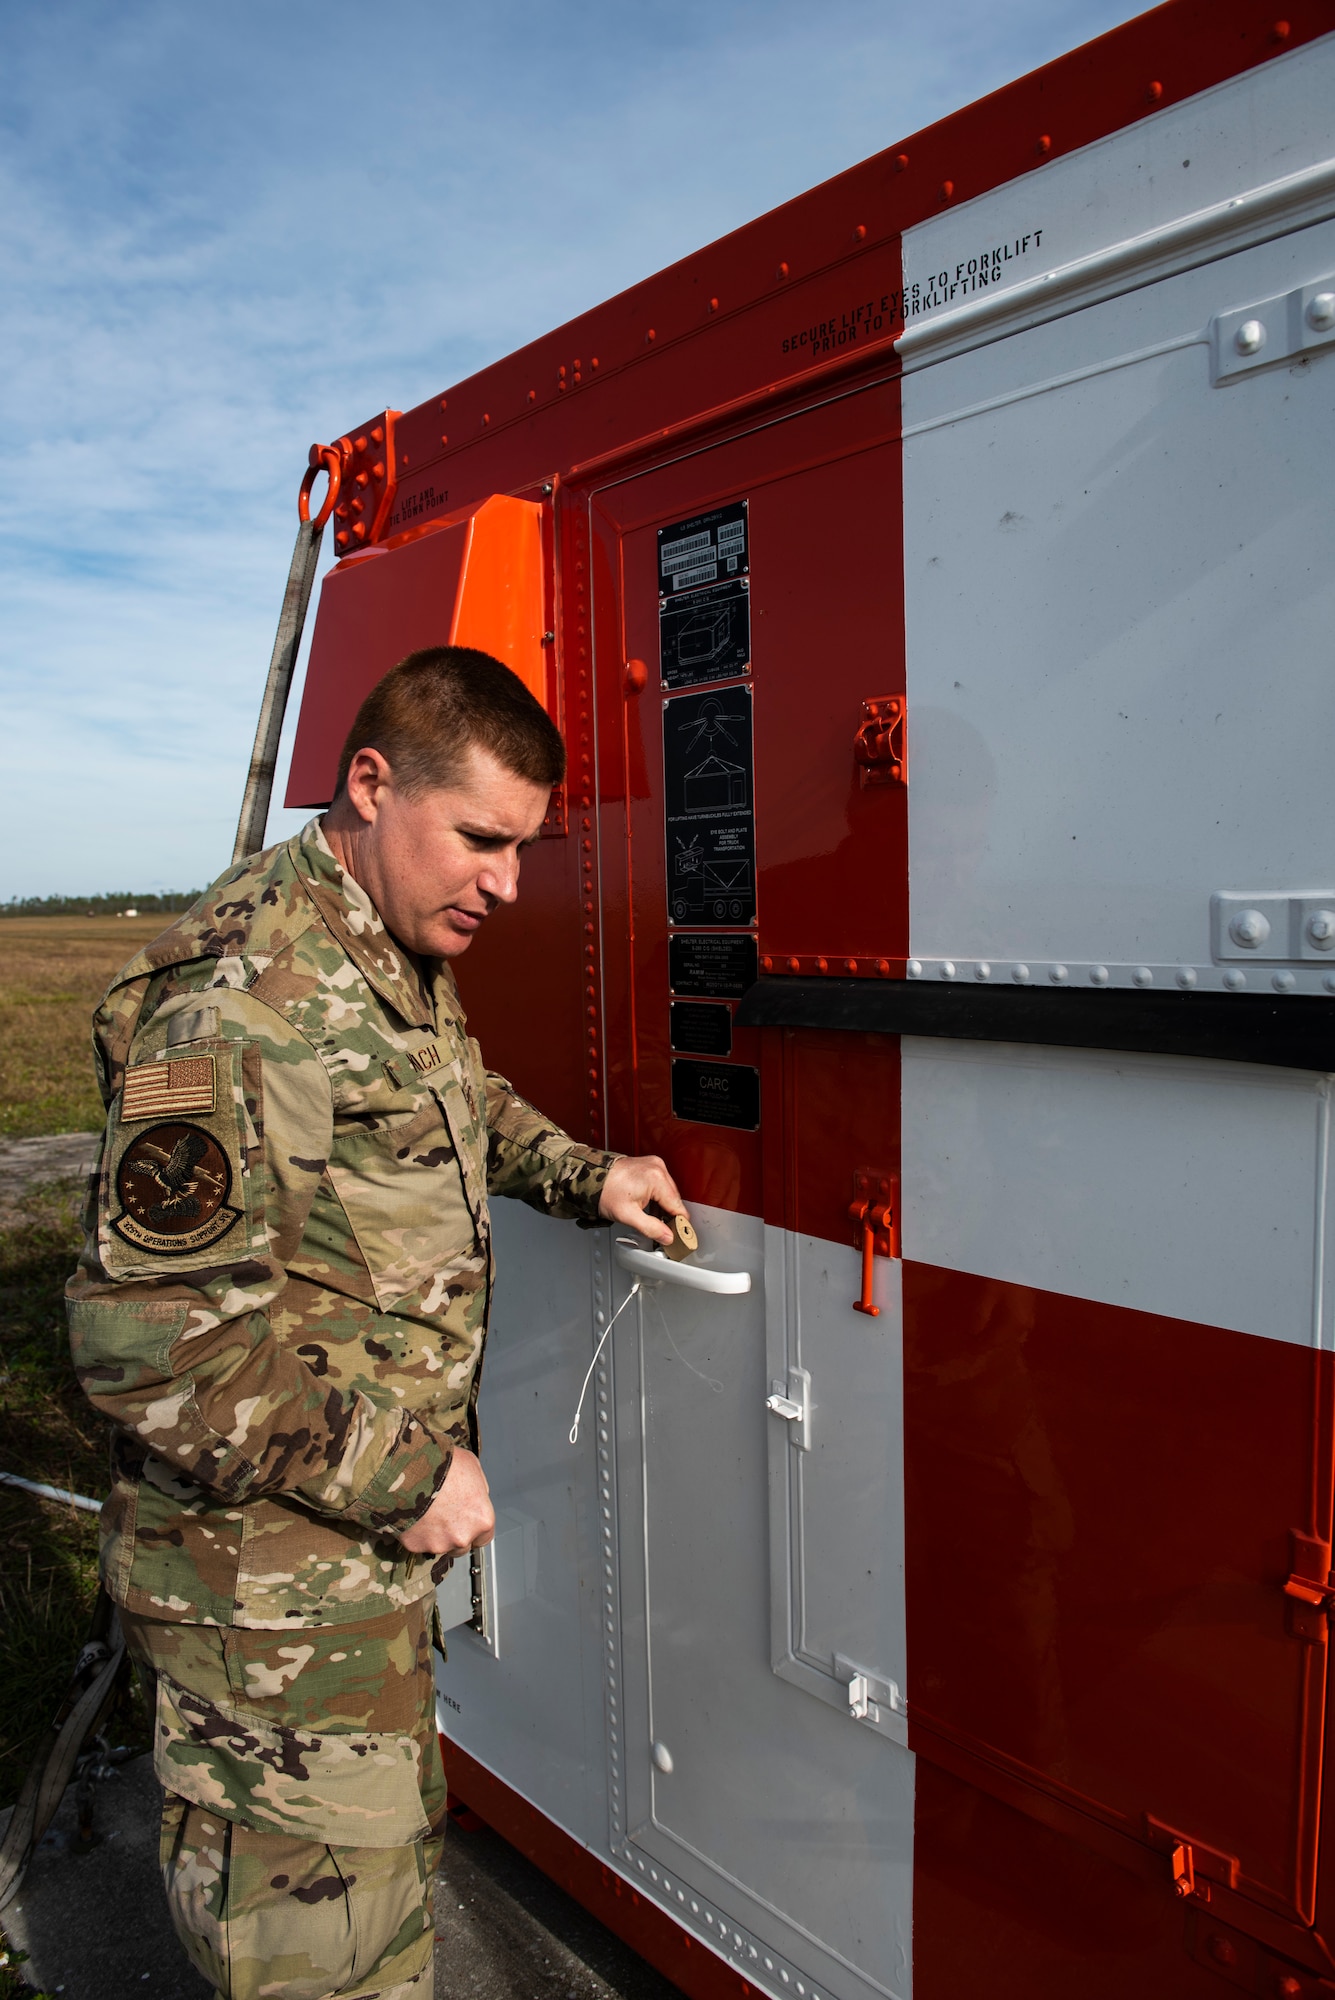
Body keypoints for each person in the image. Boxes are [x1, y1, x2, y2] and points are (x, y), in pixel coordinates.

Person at [67, 645, 686, 2000]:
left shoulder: (379, 949)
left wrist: (593, 1178)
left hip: (343, 1574)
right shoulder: (241, 1003)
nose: (507, 883)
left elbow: (456, 1105)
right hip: (267, 1596)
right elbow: (150, 1343)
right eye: (480, 839)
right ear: (367, 785)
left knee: (374, 1923)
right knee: (321, 1964)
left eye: (522, 848)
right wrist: (407, 1473)